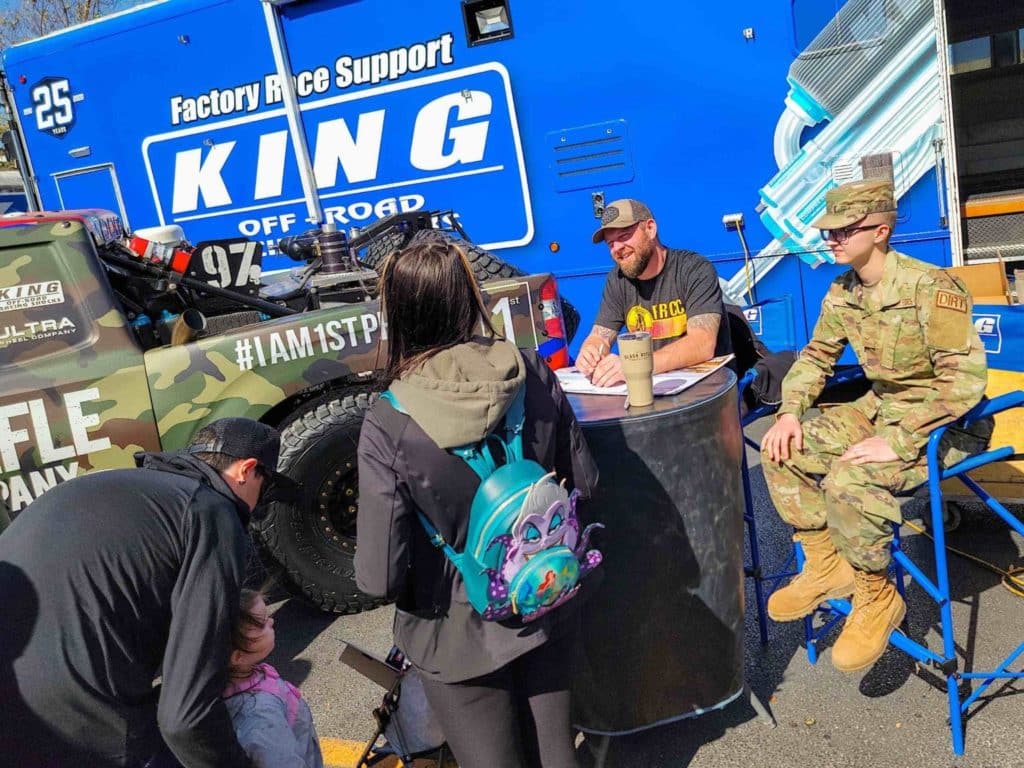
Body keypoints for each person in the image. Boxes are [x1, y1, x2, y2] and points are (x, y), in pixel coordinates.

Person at [355, 237, 599, 768]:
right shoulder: (533, 371)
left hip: (455, 635)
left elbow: (379, 577)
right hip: (545, 593)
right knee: (559, 753)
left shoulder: (389, 419)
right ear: (470, 295)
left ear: (398, 311)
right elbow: (585, 480)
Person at [760, 179, 989, 672]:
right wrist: (789, 413)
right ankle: (825, 565)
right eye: (829, 231)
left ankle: (876, 594)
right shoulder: (843, 292)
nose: (833, 239)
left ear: (881, 231)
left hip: (944, 426)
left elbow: (964, 383)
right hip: (882, 410)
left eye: (845, 230)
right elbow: (817, 357)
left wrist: (901, 441)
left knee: (849, 477)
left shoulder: (929, 287)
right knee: (781, 451)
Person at [0, 416, 296, 767]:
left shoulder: (118, 488)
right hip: (76, 725)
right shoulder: (210, 511)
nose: (256, 509)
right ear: (246, 470)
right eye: (264, 492)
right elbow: (186, 717)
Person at [576, 198, 732, 386]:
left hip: (707, 391)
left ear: (650, 229)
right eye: (610, 243)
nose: (617, 248)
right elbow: (599, 336)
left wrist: (636, 366)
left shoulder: (694, 269)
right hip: (654, 388)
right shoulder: (617, 280)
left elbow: (703, 343)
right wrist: (590, 352)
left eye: (624, 236)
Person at [223, 589, 324, 768]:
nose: (272, 621)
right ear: (237, 656)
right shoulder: (260, 718)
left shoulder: (246, 675)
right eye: (262, 623)